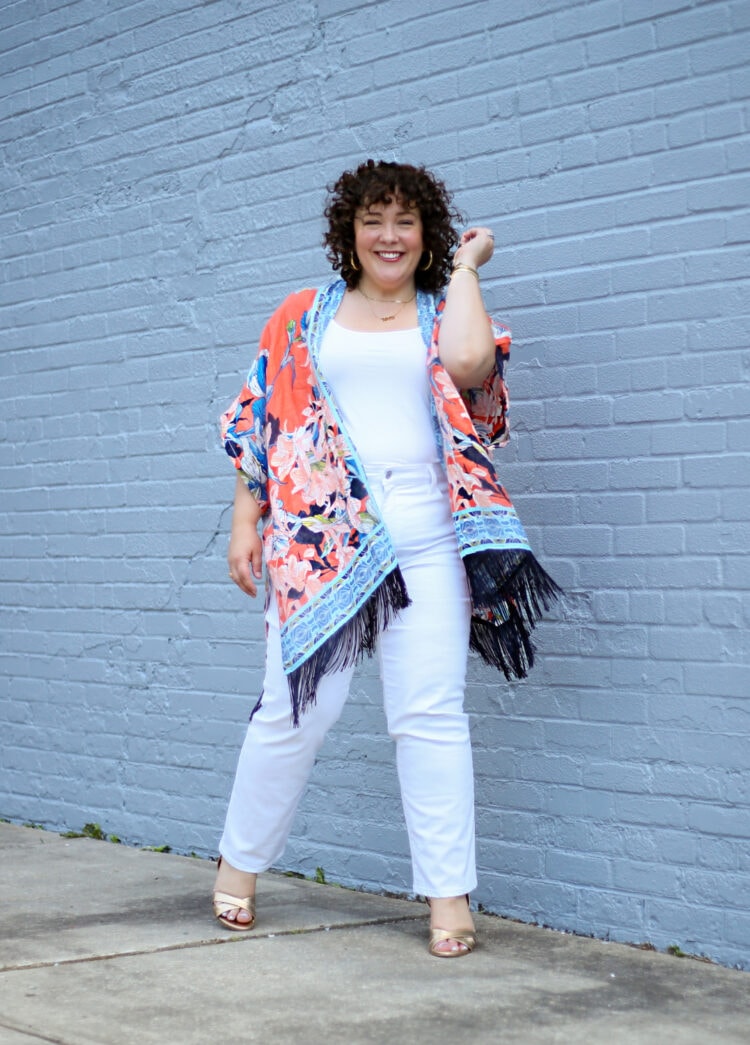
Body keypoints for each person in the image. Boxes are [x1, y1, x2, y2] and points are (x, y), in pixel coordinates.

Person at [213, 159, 560, 957]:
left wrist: (468, 267)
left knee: (430, 717)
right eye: (374, 219)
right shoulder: (302, 316)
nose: (390, 235)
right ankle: (239, 863)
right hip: (322, 540)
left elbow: (474, 369)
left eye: (406, 221)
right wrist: (244, 521)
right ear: (351, 231)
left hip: (430, 532)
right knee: (297, 709)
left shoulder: (445, 309)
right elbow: (258, 419)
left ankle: (448, 897)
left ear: (427, 233)